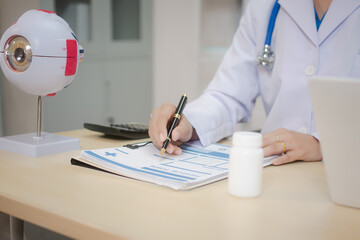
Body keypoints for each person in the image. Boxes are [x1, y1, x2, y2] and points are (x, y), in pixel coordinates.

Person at [149, 0, 360, 165]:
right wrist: (188, 122)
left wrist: (323, 143)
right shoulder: (265, 7)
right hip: (275, 169)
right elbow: (228, 95)